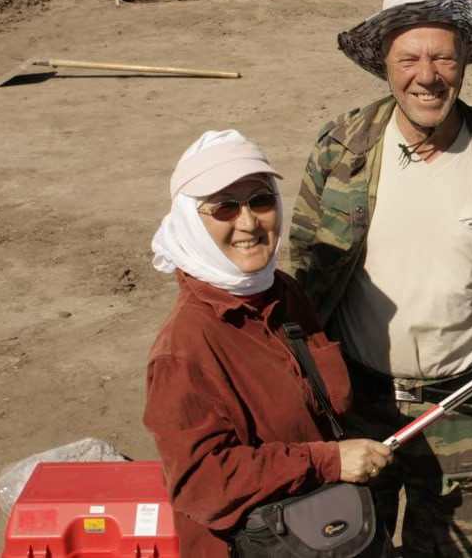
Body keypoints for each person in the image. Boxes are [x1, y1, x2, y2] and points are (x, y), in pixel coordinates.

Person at [290, 0, 472, 557]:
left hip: (463, 403)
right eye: (410, 59)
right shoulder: (342, 150)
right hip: (356, 403)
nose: (427, 76)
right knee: (349, 550)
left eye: (443, 57)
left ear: (464, 60)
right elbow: (302, 278)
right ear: (385, 64)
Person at [143, 129, 393, 557]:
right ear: (190, 222)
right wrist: (329, 461)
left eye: (260, 201)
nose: (248, 223)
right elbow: (202, 482)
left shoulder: (282, 292)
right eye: (224, 207)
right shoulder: (182, 347)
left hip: (318, 533)